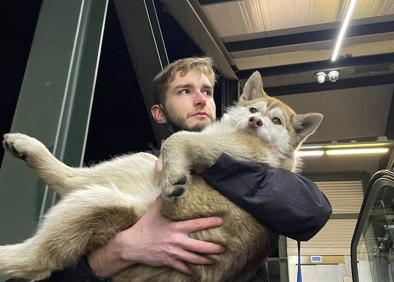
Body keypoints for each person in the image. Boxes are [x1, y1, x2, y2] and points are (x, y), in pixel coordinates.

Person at [12, 57, 331, 282]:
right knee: (131, 175)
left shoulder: (272, 168)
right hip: (138, 247)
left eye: (207, 91)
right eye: (185, 91)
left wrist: (213, 163)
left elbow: (313, 212)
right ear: (159, 112)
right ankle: (66, 177)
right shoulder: (153, 161)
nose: (200, 100)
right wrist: (121, 251)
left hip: (205, 264)